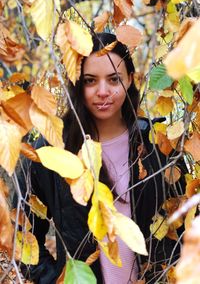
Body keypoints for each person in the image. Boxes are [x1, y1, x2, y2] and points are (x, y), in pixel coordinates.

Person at [17, 32, 185, 284]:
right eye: (90, 80)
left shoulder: (159, 146)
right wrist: (56, 280)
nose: (103, 92)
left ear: (129, 80)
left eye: (114, 79)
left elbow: (184, 230)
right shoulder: (52, 151)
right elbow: (21, 238)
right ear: (76, 82)